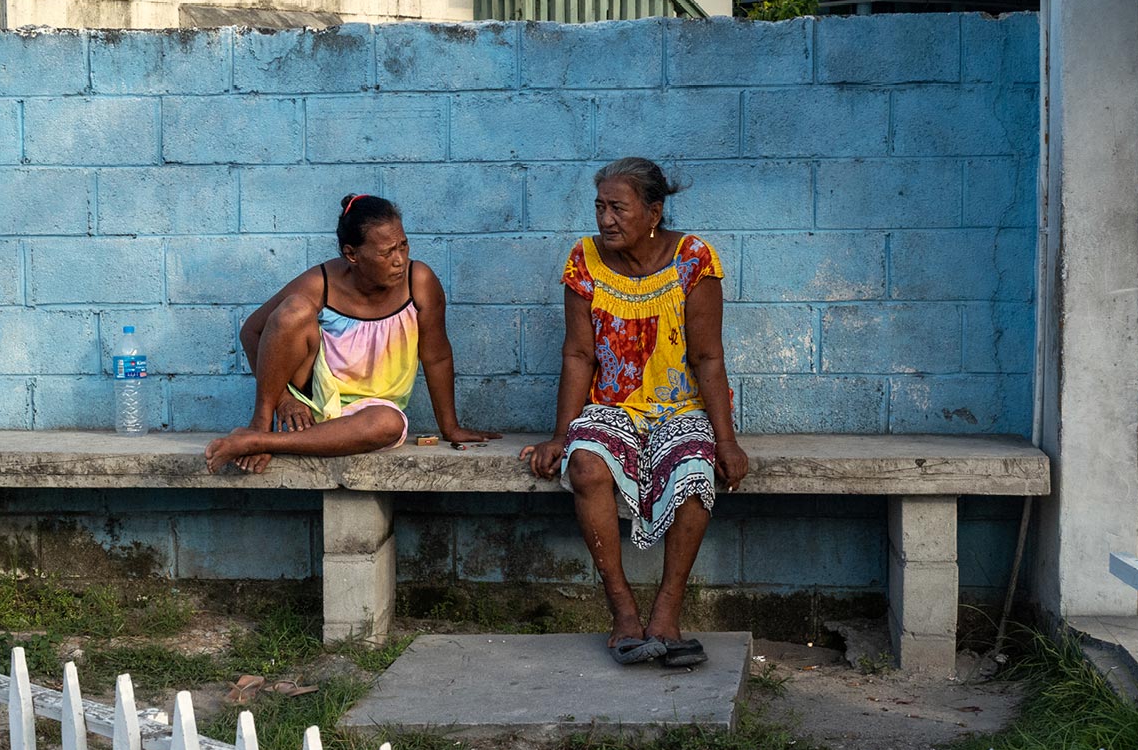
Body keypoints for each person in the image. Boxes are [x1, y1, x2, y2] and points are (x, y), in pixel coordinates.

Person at [522, 158, 748, 666]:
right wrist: (561, 434)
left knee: (694, 467)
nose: (606, 219)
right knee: (585, 463)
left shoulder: (693, 260)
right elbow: (578, 355)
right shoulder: (584, 261)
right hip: (612, 407)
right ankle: (623, 611)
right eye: (600, 207)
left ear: (653, 212)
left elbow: (708, 356)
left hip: (680, 407)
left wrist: (727, 441)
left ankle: (667, 613)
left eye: (618, 208)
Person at [205, 194, 497, 473]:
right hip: (310, 407)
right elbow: (252, 332)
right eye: (386, 252)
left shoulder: (418, 281)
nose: (399, 260)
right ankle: (260, 424)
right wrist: (283, 400)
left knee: (390, 423)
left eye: (403, 246)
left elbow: (437, 357)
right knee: (294, 309)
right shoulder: (323, 281)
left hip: (371, 414)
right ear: (352, 254)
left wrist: (450, 428)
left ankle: (261, 442)